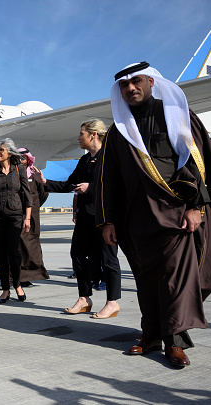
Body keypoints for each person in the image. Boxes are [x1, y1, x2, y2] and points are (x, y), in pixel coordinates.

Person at [96, 62, 211, 367]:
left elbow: (200, 163)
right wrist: (107, 221)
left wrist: (197, 206)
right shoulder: (118, 132)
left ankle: (175, 342)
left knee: (174, 280)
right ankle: (151, 335)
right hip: (137, 222)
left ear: (152, 81)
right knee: (147, 281)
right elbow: (108, 180)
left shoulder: (177, 116)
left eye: (136, 81)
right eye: (124, 86)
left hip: (177, 215)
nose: (130, 88)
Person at [33, 120, 122, 319]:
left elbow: (117, 186)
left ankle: (112, 303)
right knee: (78, 255)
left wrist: (91, 188)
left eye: (81, 133)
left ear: (94, 135)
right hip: (85, 216)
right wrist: (45, 182)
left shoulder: (111, 157)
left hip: (105, 216)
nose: (78, 137)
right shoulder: (84, 161)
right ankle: (84, 298)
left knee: (108, 259)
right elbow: (69, 184)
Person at [0, 138, 32, 303]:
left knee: (14, 252)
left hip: (15, 216)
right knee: (0, 254)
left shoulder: (19, 170)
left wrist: (28, 218)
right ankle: (5, 289)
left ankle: (17, 285)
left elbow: (27, 195)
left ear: (9, 152)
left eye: (1, 150)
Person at [16, 148, 50, 286]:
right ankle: (15, 278)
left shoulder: (34, 174)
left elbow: (43, 193)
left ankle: (28, 276)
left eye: (23, 158)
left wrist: (33, 207)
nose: (20, 160)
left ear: (28, 159)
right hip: (16, 214)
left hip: (32, 216)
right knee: (16, 245)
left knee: (30, 245)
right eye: (17, 157)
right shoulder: (12, 174)